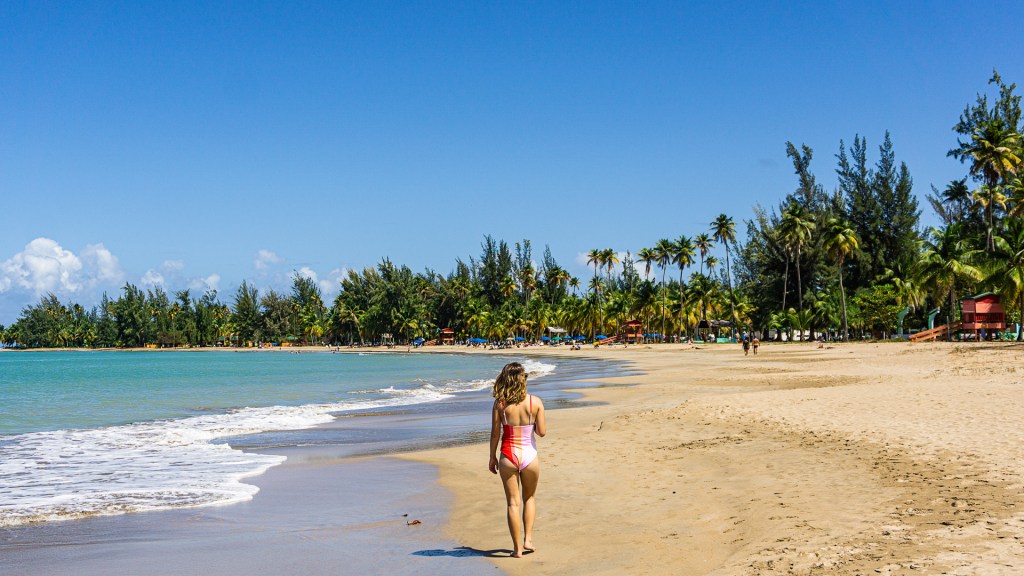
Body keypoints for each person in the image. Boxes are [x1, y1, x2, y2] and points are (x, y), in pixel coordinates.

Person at [489, 362, 547, 558]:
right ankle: (528, 539)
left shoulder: (500, 404)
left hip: (508, 455)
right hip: (530, 456)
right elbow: (542, 432)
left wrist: (492, 457)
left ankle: (516, 549)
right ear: (523, 380)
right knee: (529, 498)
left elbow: (495, 434)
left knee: (513, 503)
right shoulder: (535, 402)